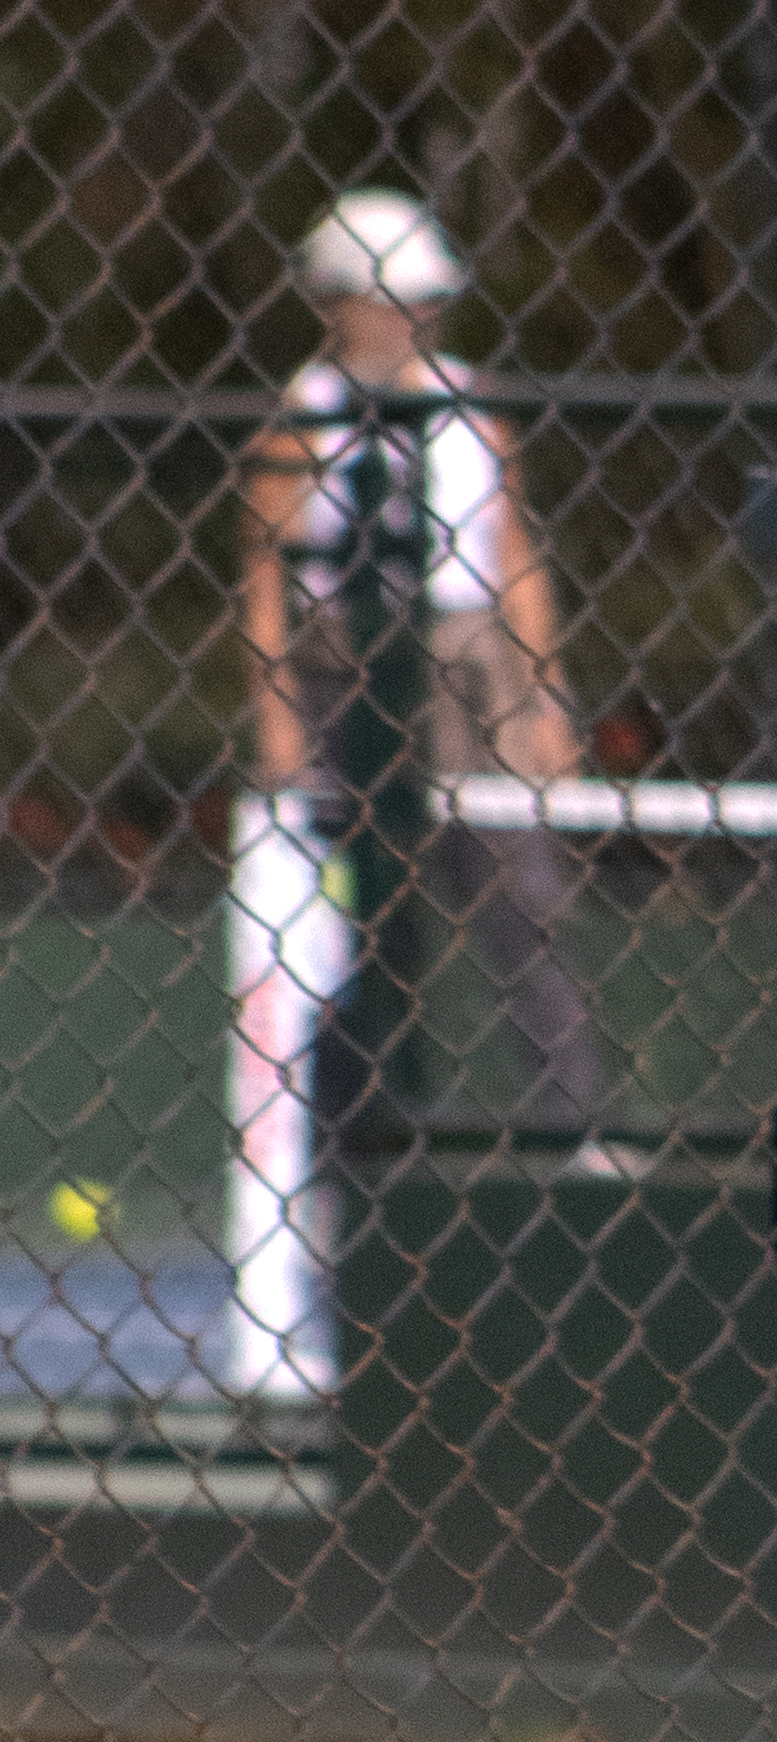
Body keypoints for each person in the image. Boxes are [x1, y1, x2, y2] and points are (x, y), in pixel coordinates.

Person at [224, 191, 609, 1407]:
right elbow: (268, 572)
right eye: (379, 301)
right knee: (347, 939)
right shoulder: (305, 417)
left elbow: (511, 551)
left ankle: (576, 1138)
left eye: (415, 302)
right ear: (336, 303)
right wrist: (283, 717)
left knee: (521, 902)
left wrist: (541, 691)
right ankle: (347, 1171)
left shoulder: (469, 406)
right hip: (351, 673)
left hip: (467, 663)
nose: (399, 322)